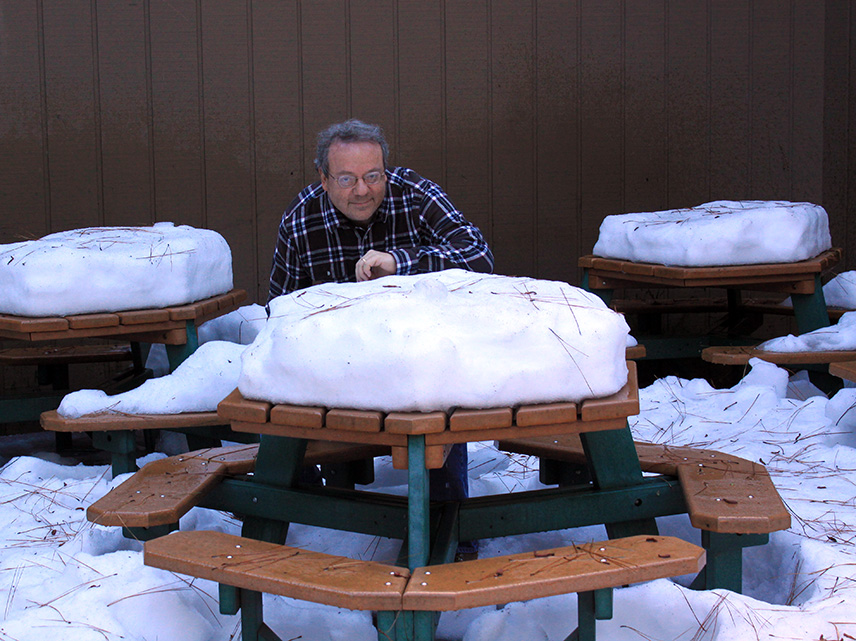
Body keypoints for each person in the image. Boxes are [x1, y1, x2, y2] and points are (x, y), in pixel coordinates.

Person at [268, 118, 494, 559]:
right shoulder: (300, 220)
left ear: (386, 171)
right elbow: (279, 311)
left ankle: (450, 525)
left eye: (373, 176)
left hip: (421, 360)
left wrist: (400, 263)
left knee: (439, 393)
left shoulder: (416, 194)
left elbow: (480, 256)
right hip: (339, 368)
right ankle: (322, 522)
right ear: (323, 178)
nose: (362, 190)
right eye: (347, 179)